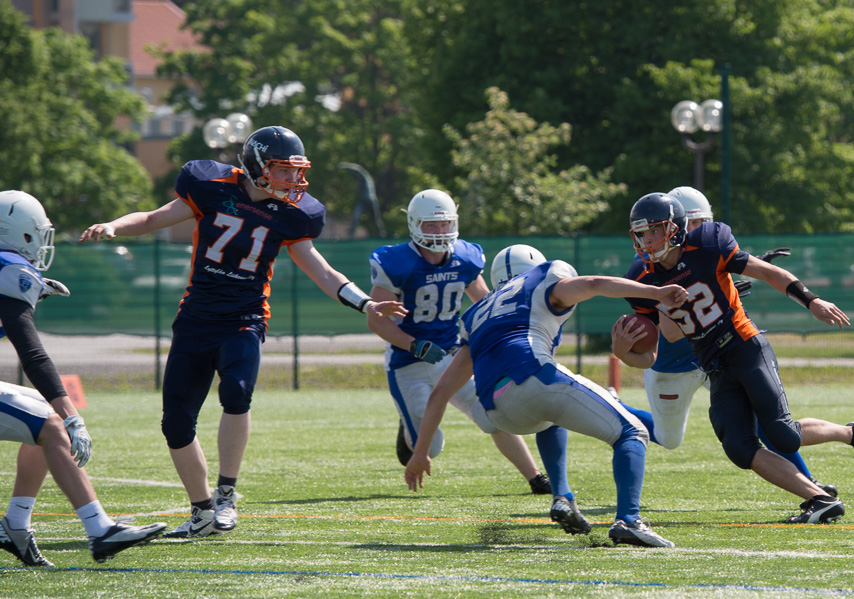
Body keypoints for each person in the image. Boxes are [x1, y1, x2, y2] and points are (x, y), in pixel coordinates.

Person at [80, 126, 406, 539]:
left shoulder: (295, 213)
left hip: (245, 318)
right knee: (176, 423)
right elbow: (151, 219)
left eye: (297, 171)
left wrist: (366, 303)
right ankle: (201, 513)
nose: (294, 180)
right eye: (284, 170)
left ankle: (226, 495)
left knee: (236, 391)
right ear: (257, 166)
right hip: (196, 316)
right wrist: (114, 225)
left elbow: (322, 271)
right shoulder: (209, 185)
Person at [616, 192, 854, 525]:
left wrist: (811, 300)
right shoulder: (641, 278)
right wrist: (624, 351)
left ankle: (853, 433)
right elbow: (669, 338)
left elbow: (769, 273)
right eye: (641, 233)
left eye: (654, 230)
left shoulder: (708, 244)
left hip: (745, 346)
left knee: (782, 434)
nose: (647, 240)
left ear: (674, 228)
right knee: (738, 446)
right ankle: (819, 500)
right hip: (713, 363)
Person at [405, 244, 691, 548]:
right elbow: (594, 284)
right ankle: (629, 520)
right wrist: (655, 293)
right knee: (631, 432)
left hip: (498, 410)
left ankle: (563, 496)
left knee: (552, 414)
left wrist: (420, 452)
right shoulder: (545, 278)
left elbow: (441, 392)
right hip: (534, 376)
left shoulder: (476, 313)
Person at [0, 190, 166, 566]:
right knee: (55, 425)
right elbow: (33, 355)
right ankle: (99, 530)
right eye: (35, 235)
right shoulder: (11, 273)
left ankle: (15, 524)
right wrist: (74, 415)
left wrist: (34, 290)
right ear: (15, 233)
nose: (42, 244)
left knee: (43, 418)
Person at [367, 190, 551, 494]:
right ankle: (409, 430)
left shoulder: (466, 257)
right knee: (432, 446)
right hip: (407, 362)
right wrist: (414, 344)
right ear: (414, 224)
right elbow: (375, 320)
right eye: (431, 225)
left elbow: (483, 301)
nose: (439, 232)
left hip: (451, 355)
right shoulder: (396, 261)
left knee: (494, 415)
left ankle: (535, 478)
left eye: (444, 224)